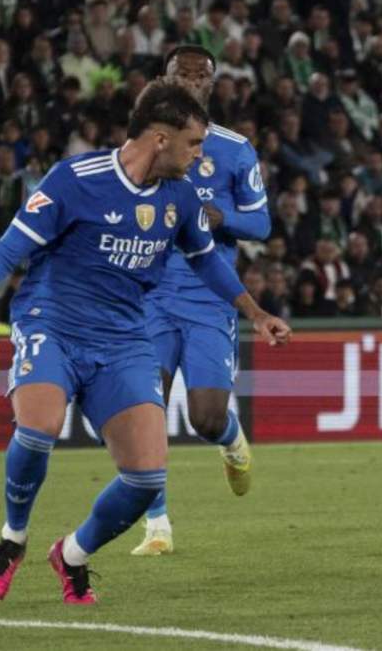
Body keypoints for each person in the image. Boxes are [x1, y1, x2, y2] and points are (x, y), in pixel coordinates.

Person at [0, 81, 291, 605]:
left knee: (147, 477)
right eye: (194, 144)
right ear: (160, 138)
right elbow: (6, 252)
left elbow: (205, 259)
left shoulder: (182, 196)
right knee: (38, 430)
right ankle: (13, 540)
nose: (201, 155)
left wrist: (255, 313)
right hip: (52, 323)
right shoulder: (74, 180)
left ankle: (73, 555)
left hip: (124, 337)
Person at [132, 45, 273, 557]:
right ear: (163, 79)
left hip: (209, 297)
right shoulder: (145, 146)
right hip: (150, 294)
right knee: (144, 409)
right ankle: (157, 526)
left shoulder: (235, 150)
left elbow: (261, 223)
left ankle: (232, 443)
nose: (192, 82)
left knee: (206, 418)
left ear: (214, 84)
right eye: (182, 74)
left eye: (202, 76)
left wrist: (221, 217)